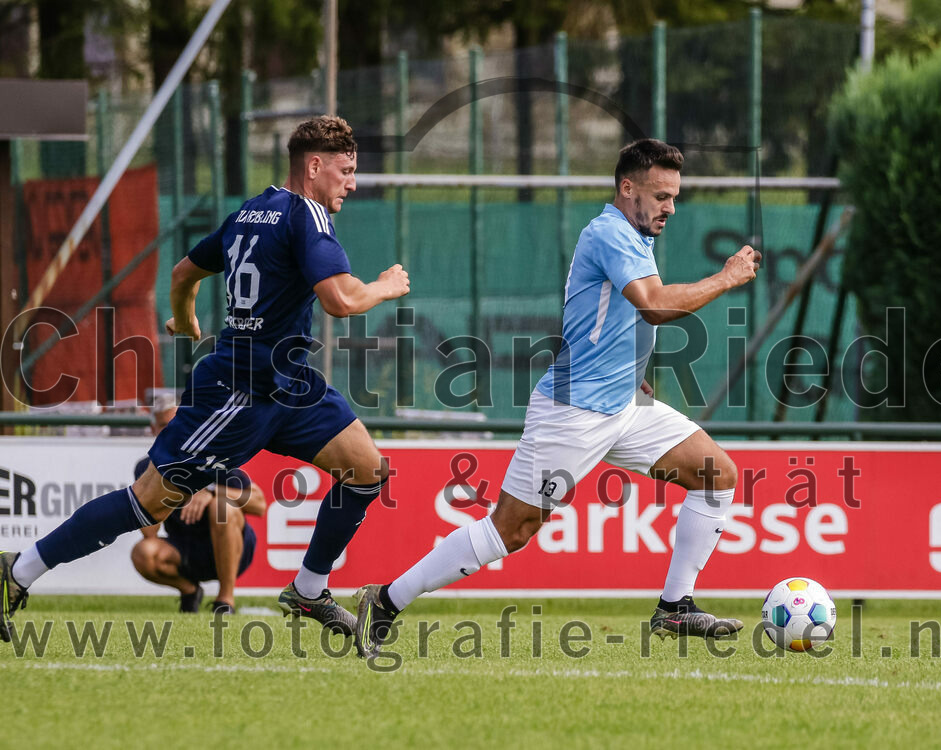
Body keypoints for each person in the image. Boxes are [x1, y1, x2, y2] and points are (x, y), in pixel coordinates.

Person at [0, 115, 410, 642]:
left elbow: (183, 273)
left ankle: (308, 591)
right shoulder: (306, 214)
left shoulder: (251, 210)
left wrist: (186, 315)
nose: (351, 183)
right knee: (146, 500)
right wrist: (384, 285)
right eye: (346, 170)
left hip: (287, 382)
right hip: (237, 392)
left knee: (367, 471)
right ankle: (16, 573)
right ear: (314, 167)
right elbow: (341, 299)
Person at [353, 139, 761, 659]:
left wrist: (631, 370)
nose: (670, 208)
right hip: (574, 410)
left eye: (675, 197)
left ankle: (675, 605)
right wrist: (727, 277)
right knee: (512, 529)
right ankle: (385, 600)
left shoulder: (634, 233)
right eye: (661, 196)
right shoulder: (611, 232)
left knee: (716, 473)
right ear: (626, 187)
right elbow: (655, 306)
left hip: (624, 405)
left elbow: (608, 314)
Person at [131, 393, 266, 615]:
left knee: (222, 508)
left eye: (176, 424)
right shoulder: (147, 468)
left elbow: (259, 504)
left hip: (232, 551)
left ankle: (225, 600)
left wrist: (210, 492)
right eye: (165, 426)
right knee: (143, 553)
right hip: (183, 550)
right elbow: (149, 533)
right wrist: (172, 489)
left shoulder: (214, 457)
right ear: (154, 429)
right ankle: (190, 590)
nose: (171, 431)